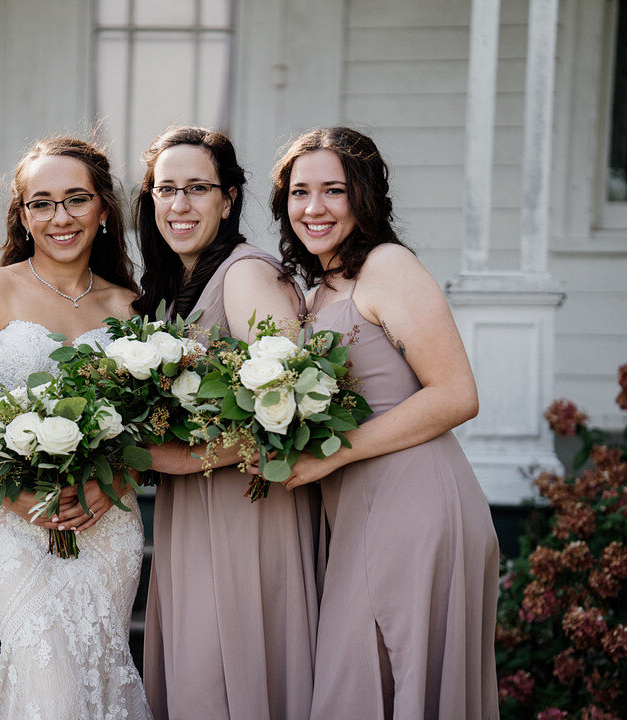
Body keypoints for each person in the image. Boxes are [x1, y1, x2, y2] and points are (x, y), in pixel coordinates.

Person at [272, 126, 499, 719]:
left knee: (386, 685)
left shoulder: (388, 265)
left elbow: (456, 394)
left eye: (334, 191)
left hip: (413, 503)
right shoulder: (320, 289)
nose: (313, 208)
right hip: (356, 509)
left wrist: (336, 452)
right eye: (299, 192)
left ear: (364, 197)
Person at [0, 136, 151, 719]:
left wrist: (107, 482)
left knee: (97, 674)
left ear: (103, 209)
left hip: (105, 521)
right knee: (49, 679)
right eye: (41, 202)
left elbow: (144, 432)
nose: (59, 217)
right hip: (11, 516)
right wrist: (16, 496)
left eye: (76, 199)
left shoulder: (130, 309)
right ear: (24, 214)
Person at [136, 126, 319, 720]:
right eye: (167, 189)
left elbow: (292, 414)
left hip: (247, 510)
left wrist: (171, 458)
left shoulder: (244, 273)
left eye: (197, 188)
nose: (179, 205)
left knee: (231, 670)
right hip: (196, 508)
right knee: (199, 675)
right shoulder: (175, 289)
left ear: (229, 198)